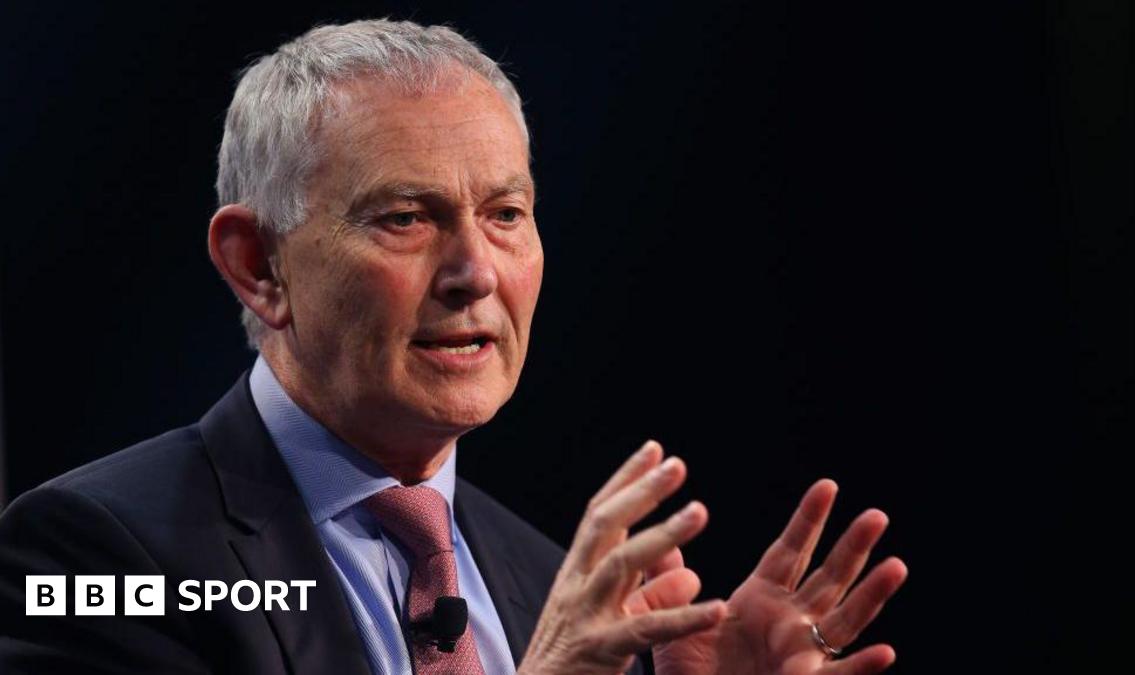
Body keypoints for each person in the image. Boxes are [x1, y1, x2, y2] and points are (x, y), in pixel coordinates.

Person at [0, 19, 906, 675]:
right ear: (259, 265)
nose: (476, 270)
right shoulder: (92, 560)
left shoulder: (546, 581)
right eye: (405, 217)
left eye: (506, 214)